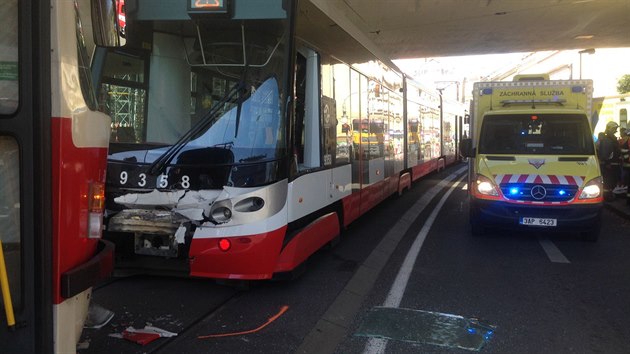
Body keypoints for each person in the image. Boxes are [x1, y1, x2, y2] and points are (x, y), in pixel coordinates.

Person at [598, 121, 622, 200]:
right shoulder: (607, 140)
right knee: (608, 181)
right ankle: (607, 196)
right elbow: (605, 153)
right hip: (609, 164)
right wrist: (607, 163)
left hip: (613, 164)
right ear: (610, 128)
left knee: (611, 181)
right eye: (614, 129)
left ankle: (609, 195)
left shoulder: (610, 139)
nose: (616, 131)